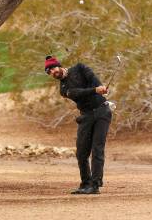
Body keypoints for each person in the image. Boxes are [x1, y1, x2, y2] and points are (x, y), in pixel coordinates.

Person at [44, 55, 112, 195]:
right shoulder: (63, 89)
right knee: (81, 152)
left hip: (102, 111)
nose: (52, 72)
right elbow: (77, 93)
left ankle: (95, 185)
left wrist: (100, 87)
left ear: (59, 65)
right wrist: (95, 90)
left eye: (52, 68)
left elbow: (92, 79)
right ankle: (85, 183)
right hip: (86, 116)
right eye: (49, 72)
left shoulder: (80, 68)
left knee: (97, 149)